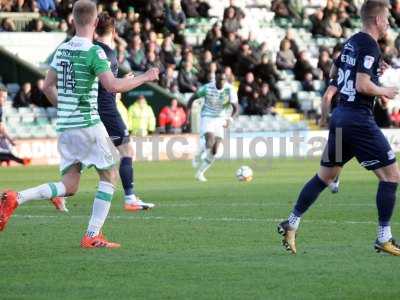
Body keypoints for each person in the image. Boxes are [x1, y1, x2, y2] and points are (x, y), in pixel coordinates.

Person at [0, 0, 159, 248]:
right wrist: (146, 77)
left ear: (72, 20)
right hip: (87, 123)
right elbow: (113, 86)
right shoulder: (93, 51)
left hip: (66, 126)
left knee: (69, 186)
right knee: (109, 174)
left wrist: (64, 108)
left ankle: (16, 197)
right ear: (95, 23)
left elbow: (47, 86)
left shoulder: (62, 50)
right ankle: (92, 235)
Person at [278, 1, 400, 256]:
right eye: (387, 17)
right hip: (358, 119)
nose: (389, 22)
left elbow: (336, 70)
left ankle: (292, 222)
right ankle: (384, 237)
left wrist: (374, 73)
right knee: (391, 176)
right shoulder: (368, 44)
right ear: (377, 20)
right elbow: (363, 86)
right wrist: (383, 90)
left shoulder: (352, 41)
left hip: (341, 115)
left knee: (325, 177)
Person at [94, 12, 155, 211]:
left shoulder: (91, 50)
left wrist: (125, 81)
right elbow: (113, 88)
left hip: (93, 108)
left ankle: (59, 192)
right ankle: (130, 197)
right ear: (114, 31)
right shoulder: (108, 54)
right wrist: (142, 78)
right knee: (126, 150)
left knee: (86, 157)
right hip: (106, 109)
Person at [187, 71, 238, 182]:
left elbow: (235, 107)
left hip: (221, 119)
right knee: (210, 142)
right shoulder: (207, 88)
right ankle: (197, 155)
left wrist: (230, 119)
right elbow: (192, 99)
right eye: (220, 80)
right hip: (207, 117)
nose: (222, 82)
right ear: (216, 79)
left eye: (224, 80)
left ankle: (200, 173)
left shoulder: (230, 90)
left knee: (215, 151)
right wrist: (188, 114)